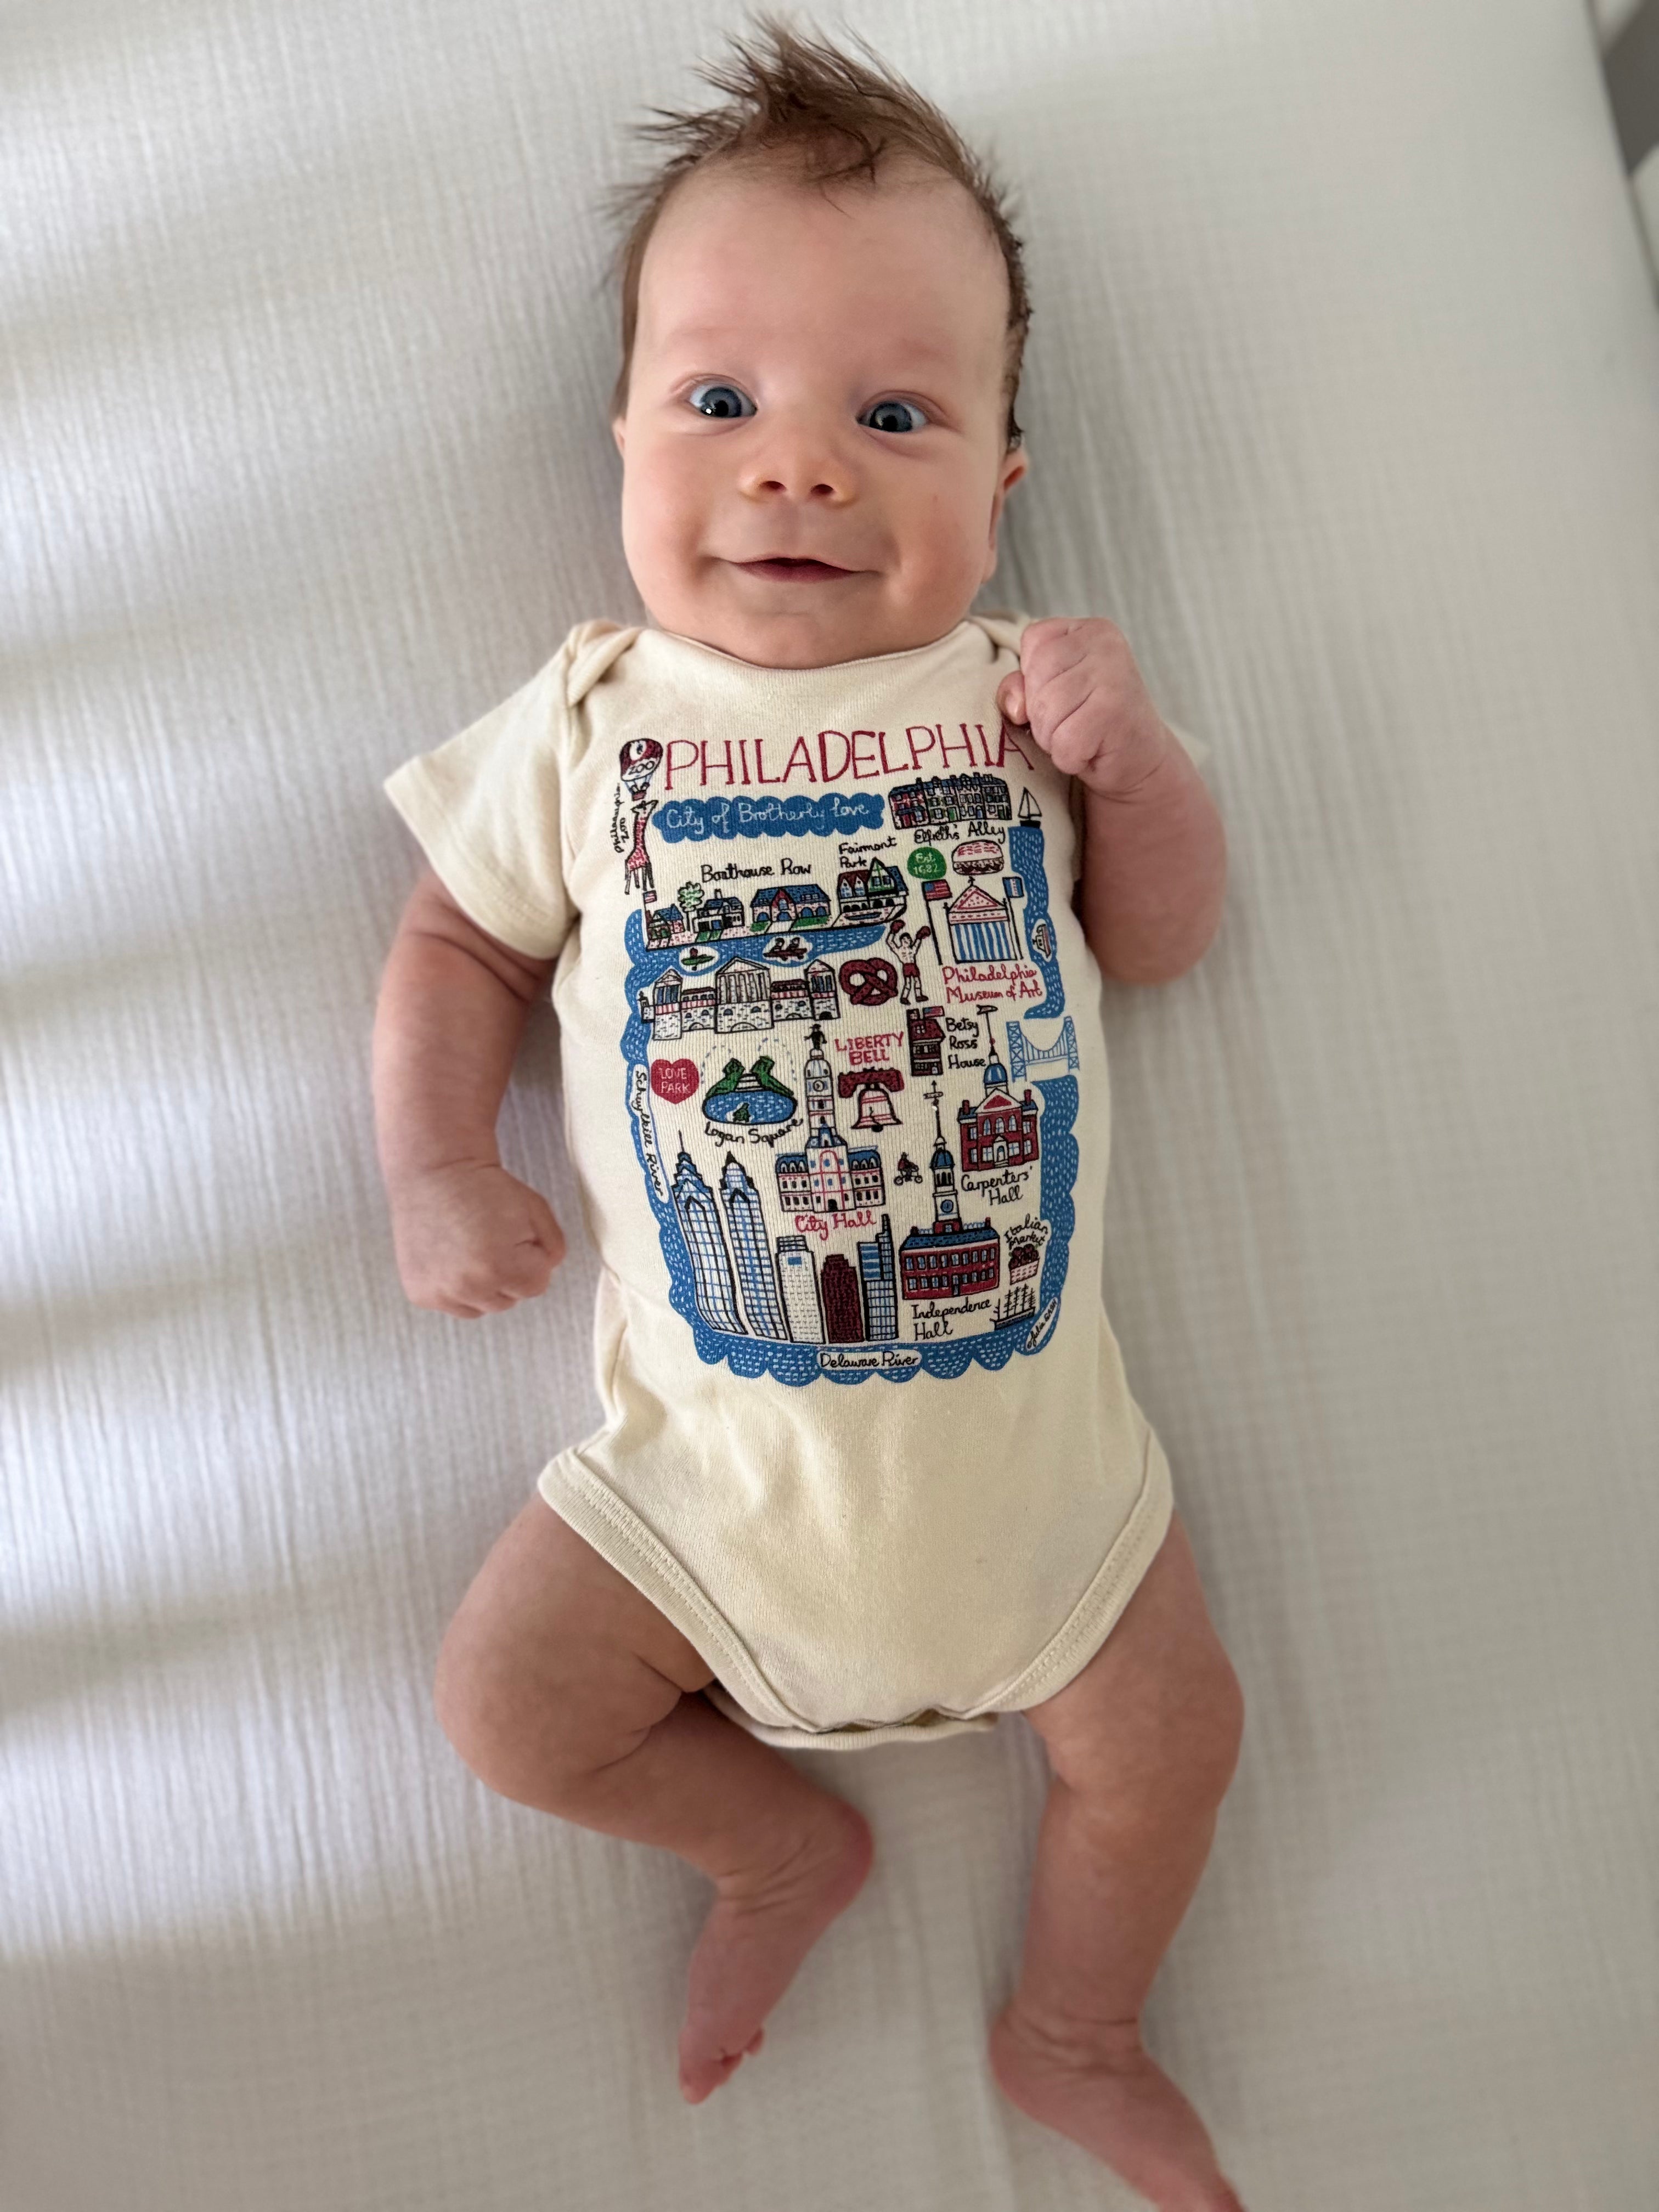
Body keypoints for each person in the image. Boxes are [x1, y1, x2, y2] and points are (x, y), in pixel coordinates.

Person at [372, 19, 1245, 2208]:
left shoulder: (1019, 699)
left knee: (1173, 1747)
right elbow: (454, 951)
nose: (799, 468)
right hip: (695, 1520)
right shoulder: (587, 721)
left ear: (1002, 480)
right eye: (721, 402)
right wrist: (433, 1163)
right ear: (625, 435)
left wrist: (1136, 768)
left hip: (1056, 1519)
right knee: (500, 1713)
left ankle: (1073, 2026)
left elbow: (1158, 943)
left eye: (894, 414)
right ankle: (774, 1853)